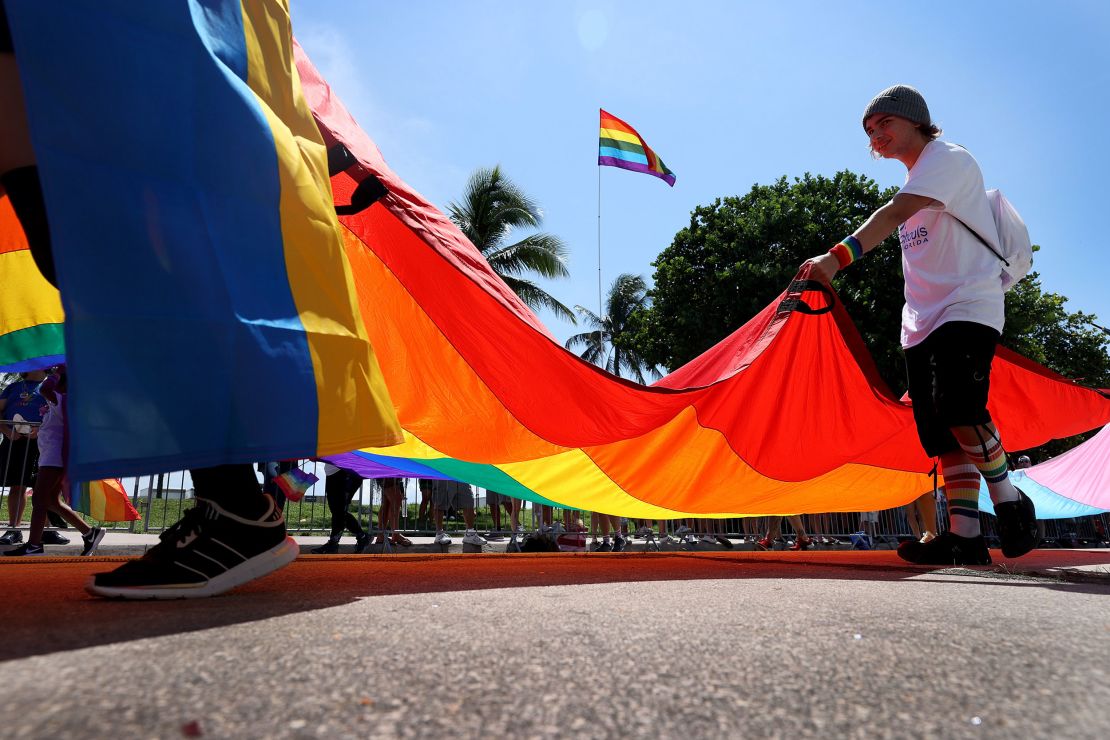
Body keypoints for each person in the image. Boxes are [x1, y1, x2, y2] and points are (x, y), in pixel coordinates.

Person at [804, 84, 1037, 566]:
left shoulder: (949, 159)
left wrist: (835, 258)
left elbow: (891, 215)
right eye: (869, 131)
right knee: (940, 435)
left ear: (915, 120)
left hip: (968, 305)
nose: (876, 135)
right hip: (920, 322)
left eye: (884, 122)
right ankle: (967, 538)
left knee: (961, 409)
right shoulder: (915, 183)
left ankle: (1011, 500)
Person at [3, 367, 103, 556]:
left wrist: (61, 369)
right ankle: (90, 533)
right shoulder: (56, 399)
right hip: (51, 454)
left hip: (54, 456)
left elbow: (45, 388)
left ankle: (34, 545)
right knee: (50, 500)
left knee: (40, 500)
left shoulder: (61, 398)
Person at [311, 464, 370, 554]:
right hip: (332, 472)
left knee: (339, 511)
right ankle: (362, 537)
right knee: (337, 511)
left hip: (346, 471)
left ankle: (334, 543)